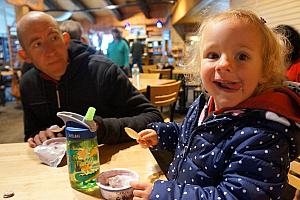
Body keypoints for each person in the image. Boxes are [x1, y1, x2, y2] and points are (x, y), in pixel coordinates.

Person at [130, 9, 300, 199]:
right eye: (213, 55)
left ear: (264, 71)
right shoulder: (205, 103)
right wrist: (163, 134)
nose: (223, 64)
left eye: (242, 56)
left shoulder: (264, 135)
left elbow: (234, 196)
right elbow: (193, 138)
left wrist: (167, 195)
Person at [16, 11, 163, 148]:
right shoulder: (28, 84)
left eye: (54, 38)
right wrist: (38, 137)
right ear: (26, 56)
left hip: (107, 164)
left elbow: (153, 117)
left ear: (65, 40)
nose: (50, 51)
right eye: (37, 44)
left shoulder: (103, 71)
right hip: (51, 170)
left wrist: (100, 128)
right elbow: (31, 134)